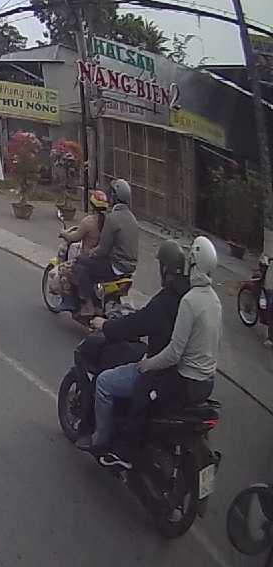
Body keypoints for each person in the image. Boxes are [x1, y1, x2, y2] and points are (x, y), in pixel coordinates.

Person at [81, 238, 220, 458]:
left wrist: (107, 327)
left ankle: (103, 442)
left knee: (105, 383)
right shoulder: (212, 300)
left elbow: (168, 348)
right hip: (205, 381)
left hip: (168, 371)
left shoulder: (183, 301)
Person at [73, 178, 139, 317]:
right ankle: (99, 302)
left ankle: (88, 304)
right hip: (130, 268)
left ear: (114, 197)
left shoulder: (112, 218)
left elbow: (102, 249)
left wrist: (91, 252)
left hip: (115, 266)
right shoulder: (133, 219)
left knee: (79, 262)